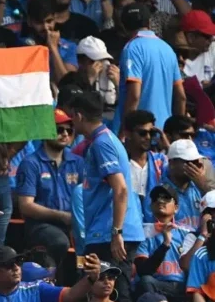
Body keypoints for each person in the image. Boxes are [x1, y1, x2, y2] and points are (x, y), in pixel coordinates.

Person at [69, 92, 145, 302]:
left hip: (109, 234)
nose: (72, 122)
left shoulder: (102, 143)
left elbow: (120, 189)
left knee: (114, 293)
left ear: (79, 115)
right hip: (105, 232)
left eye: (72, 116)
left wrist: (116, 232)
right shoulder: (105, 139)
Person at [16, 109, 84, 266]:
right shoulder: (31, 163)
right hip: (41, 225)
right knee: (59, 241)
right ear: (45, 131)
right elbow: (26, 206)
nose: (65, 134)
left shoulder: (78, 162)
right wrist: (62, 216)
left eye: (69, 130)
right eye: (59, 129)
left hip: (75, 224)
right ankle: (50, 276)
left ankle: (82, 277)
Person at [113, 3, 186, 135]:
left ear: (123, 26)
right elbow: (181, 97)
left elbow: (134, 95)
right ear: (149, 22)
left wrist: (125, 132)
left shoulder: (132, 48)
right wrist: (177, 132)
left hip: (141, 134)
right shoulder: (168, 49)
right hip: (164, 134)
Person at [0, 246, 102, 302]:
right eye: (9, 265)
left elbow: (71, 295)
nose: (16, 268)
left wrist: (91, 279)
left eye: (18, 262)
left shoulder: (36, 289)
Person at [134, 184, 189, 300]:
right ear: (151, 206)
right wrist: (165, 244)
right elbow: (143, 271)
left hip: (182, 288)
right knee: (145, 280)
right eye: (156, 198)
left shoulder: (187, 234)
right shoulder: (143, 233)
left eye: (166, 198)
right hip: (156, 286)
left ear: (176, 208)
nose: (160, 201)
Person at [16, 0, 78, 84]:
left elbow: (67, 84)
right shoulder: (20, 46)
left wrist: (53, 48)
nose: (45, 27)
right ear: (29, 21)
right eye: (39, 22)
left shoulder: (70, 47)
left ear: (55, 18)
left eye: (49, 21)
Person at [122, 110, 168, 221]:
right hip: (128, 221)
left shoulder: (160, 161)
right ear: (128, 134)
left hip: (155, 224)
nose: (148, 137)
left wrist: (167, 145)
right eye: (142, 133)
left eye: (151, 133)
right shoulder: (119, 162)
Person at [155, 139, 207, 230]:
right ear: (172, 163)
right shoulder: (159, 192)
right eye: (188, 162)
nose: (194, 167)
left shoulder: (199, 187)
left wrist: (204, 187)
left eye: (195, 162)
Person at [75, 36, 118, 106]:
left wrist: (118, 85)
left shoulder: (110, 80)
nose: (100, 65)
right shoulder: (71, 80)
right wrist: (90, 79)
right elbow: (80, 106)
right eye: (93, 61)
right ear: (80, 62)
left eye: (103, 60)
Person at [180, 10, 215, 83]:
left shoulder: (212, 48)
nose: (212, 39)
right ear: (191, 37)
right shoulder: (175, 62)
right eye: (208, 36)